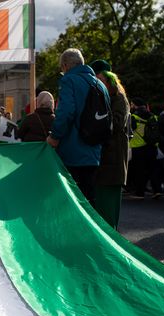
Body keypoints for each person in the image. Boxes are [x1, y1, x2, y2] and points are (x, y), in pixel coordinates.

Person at [46, 48, 109, 205]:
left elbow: (66, 112)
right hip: (94, 151)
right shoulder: (100, 85)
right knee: (89, 200)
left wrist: (54, 136)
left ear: (66, 66)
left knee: (70, 200)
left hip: (72, 150)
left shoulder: (69, 81)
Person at [93, 69, 130, 230]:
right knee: (101, 204)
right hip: (105, 160)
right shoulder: (104, 99)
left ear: (110, 83)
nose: (98, 83)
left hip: (113, 161)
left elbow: (116, 124)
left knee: (109, 208)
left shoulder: (119, 99)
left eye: (101, 80)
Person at [128, 98, 158, 198]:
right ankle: (156, 190)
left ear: (136, 105)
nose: (131, 106)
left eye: (132, 104)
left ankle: (139, 192)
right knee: (152, 169)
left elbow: (128, 131)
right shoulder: (153, 116)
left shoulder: (133, 116)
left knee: (139, 171)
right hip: (151, 146)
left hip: (138, 147)